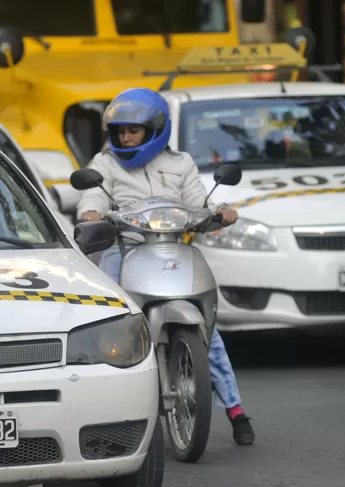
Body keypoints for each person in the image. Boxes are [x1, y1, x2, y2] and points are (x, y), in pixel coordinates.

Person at [76, 87, 255, 446]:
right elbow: (92, 196)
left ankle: (235, 409)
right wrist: (92, 213)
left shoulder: (181, 164)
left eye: (134, 130)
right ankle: (104, 414)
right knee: (110, 323)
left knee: (209, 331)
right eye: (120, 131)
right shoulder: (105, 164)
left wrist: (221, 212)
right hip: (123, 247)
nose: (125, 137)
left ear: (156, 129)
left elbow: (197, 200)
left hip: (173, 248)